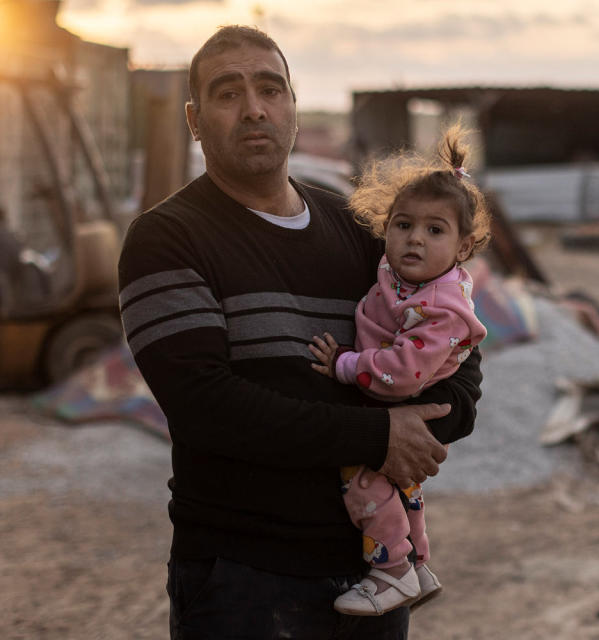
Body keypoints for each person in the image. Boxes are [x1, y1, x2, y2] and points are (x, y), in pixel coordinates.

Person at [117, 25, 482, 640]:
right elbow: (206, 405)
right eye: (228, 92)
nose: (255, 107)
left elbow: (452, 334)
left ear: (292, 103)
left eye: (270, 88)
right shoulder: (167, 238)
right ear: (194, 119)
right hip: (245, 577)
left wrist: (437, 420)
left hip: (371, 570)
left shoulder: (358, 226)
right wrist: (377, 432)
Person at [307, 126, 490, 616]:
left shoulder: (443, 306)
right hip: (390, 403)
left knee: (364, 481)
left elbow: (404, 373)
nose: (414, 240)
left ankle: (391, 570)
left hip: (396, 400)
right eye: (403, 225)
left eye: (435, 230)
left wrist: (345, 365)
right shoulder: (403, 278)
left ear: (463, 248)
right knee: (402, 489)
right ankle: (419, 565)